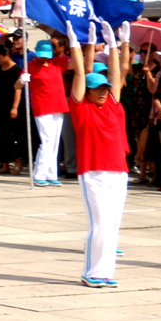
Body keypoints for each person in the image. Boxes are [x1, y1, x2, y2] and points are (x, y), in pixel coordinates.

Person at [72, 32, 128, 287]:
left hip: (119, 171)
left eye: (105, 89)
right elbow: (80, 74)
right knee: (101, 223)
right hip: (93, 171)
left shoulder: (115, 106)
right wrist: (78, 45)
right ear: (88, 93)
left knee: (113, 224)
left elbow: (116, 74)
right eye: (98, 90)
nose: (104, 93)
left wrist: (115, 44)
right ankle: (91, 272)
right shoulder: (81, 108)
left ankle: (106, 272)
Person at [28, 38, 70, 186]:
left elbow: (78, 66)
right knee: (47, 140)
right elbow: (17, 86)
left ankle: (51, 173)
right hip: (42, 106)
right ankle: (39, 174)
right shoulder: (29, 66)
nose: (44, 57)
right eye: (41, 54)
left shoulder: (57, 64)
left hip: (59, 105)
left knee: (55, 141)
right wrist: (21, 80)